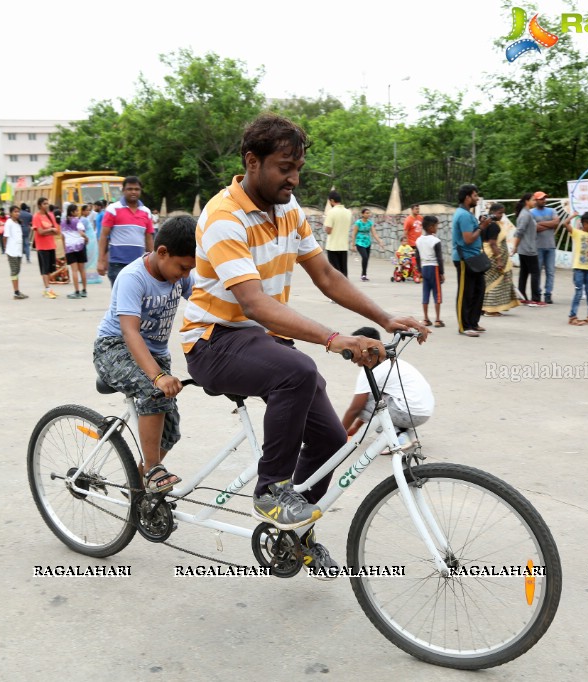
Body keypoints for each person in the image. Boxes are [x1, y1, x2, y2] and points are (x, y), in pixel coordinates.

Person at [180, 113, 429, 575]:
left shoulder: (289, 211)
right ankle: (271, 490)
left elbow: (328, 275)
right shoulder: (222, 216)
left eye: (298, 168)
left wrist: (383, 317)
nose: (294, 178)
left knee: (332, 441)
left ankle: (293, 536)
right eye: (284, 167)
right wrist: (335, 339)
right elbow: (253, 303)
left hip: (261, 341)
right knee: (298, 371)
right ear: (252, 162)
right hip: (212, 342)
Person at [94, 216, 197, 493]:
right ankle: (153, 470)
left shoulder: (180, 276)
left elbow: (204, 303)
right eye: (183, 267)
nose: (186, 274)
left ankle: (138, 488)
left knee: (171, 431)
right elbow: (130, 332)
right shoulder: (132, 277)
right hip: (114, 348)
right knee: (153, 393)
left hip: (155, 357)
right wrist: (158, 376)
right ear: (162, 252)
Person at [340, 327, 435, 440]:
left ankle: (396, 436)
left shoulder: (369, 371)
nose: (352, 356)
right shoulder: (390, 360)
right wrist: (355, 427)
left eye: (353, 350)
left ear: (365, 350)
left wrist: (338, 435)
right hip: (423, 411)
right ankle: (406, 434)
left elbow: (355, 409)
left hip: (411, 413)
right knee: (371, 397)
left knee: (361, 405)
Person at [97, 176, 154, 285]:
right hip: (117, 264)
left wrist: (153, 262)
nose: (133, 192)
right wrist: (100, 261)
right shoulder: (113, 209)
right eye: (130, 189)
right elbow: (103, 236)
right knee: (119, 299)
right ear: (123, 190)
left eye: (136, 189)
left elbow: (149, 239)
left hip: (139, 264)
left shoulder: (146, 212)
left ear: (140, 191)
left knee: (138, 298)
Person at [451, 184, 490, 337]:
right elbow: (468, 239)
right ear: (467, 197)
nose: (477, 198)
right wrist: (482, 227)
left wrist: (479, 224)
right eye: (475, 196)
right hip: (464, 259)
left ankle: (473, 322)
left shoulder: (467, 213)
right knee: (466, 292)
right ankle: (464, 326)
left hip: (474, 258)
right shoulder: (463, 215)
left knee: (478, 290)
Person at [481, 202, 520, 316]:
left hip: (487, 255)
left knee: (487, 283)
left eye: (503, 213)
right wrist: (499, 259)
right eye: (499, 213)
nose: (501, 215)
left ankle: (483, 307)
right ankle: (491, 309)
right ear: (492, 212)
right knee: (495, 283)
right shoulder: (493, 225)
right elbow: (493, 244)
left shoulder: (486, 223)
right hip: (494, 257)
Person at [511, 193, 543, 306]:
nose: (535, 202)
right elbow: (519, 232)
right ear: (526, 201)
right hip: (529, 249)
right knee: (535, 272)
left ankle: (522, 297)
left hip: (524, 249)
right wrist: (515, 246)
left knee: (524, 272)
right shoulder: (525, 215)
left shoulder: (525, 213)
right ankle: (535, 299)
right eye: (533, 200)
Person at [414, 215, 446, 327]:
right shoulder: (436, 241)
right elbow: (439, 258)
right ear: (431, 227)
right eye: (436, 225)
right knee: (437, 293)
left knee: (425, 292)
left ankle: (426, 318)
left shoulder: (418, 240)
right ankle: (437, 319)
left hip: (424, 267)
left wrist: (419, 270)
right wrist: (442, 273)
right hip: (434, 268)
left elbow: (417, 257)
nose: (437, 228)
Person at [530, 191, 559, 304]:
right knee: (537, 271)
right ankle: (538, 293)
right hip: (538, 246)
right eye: (541, 199)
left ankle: (548, 294)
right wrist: (550, 224)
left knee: (550, 271)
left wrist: (541, 224)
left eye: (545, 198)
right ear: (536, 200)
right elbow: (534, 228)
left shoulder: (552, 210)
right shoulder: (531, 212)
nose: (544, 200)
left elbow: (556, 223)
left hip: (550, 246)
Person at [33, 197, 64, 298]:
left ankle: (48, 288)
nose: (46, 205)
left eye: (47, 203)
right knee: (44, 269)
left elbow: (57, 230)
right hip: (42, 246)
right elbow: (40, 232)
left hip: (51, 245)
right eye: (44, 204)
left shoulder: (50, 215)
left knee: (50, 269)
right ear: (39, 205)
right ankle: (47, 289)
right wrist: (50, 230)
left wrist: (49, 230)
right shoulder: (36, 217)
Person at [61, 203, 88, 299]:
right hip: (80, 247)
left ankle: (76, 291)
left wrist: (65, 249)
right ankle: (84, 290)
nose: (78, 212)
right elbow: (81, 233)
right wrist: (86, 238)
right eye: (76, 210)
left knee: (74, 271)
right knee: (82, 270)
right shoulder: (78, 221)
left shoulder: (63, 223)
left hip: (70, 248)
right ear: (72, 212)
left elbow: (63, 237)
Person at [350, 208, 385, 282]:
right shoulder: (358, 223)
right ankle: (363, 275)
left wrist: (380, 241)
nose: (368, 214)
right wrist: (353, 244)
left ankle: (364, 275)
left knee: (366, 259)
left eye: (369, 213)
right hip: (359, 242)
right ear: (362, 214)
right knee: (365, 257)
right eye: (366, 213)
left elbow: (374, 233)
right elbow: (354, 233)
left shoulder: (370, 223)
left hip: (367, 243)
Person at [323, 190, 351, 277]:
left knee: (335, 272)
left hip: (333, 247)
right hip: (343, 246)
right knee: (343, 272)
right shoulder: (348, 212)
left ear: (331, 200)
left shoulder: (331, 212)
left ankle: (337, 289)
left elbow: (328, 230)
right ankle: (345, 289)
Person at [2, 205, 28, 299]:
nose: (17, 213)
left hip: (18, 251)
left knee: (17, 271)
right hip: (12, 251)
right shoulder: (8, 223)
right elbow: (5, 237)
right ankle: (16, 293)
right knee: (14, 272)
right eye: (15, 211)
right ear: (10, 213)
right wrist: (6, 249)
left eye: (18, 211)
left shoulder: (17, 222)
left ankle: (17, 291)